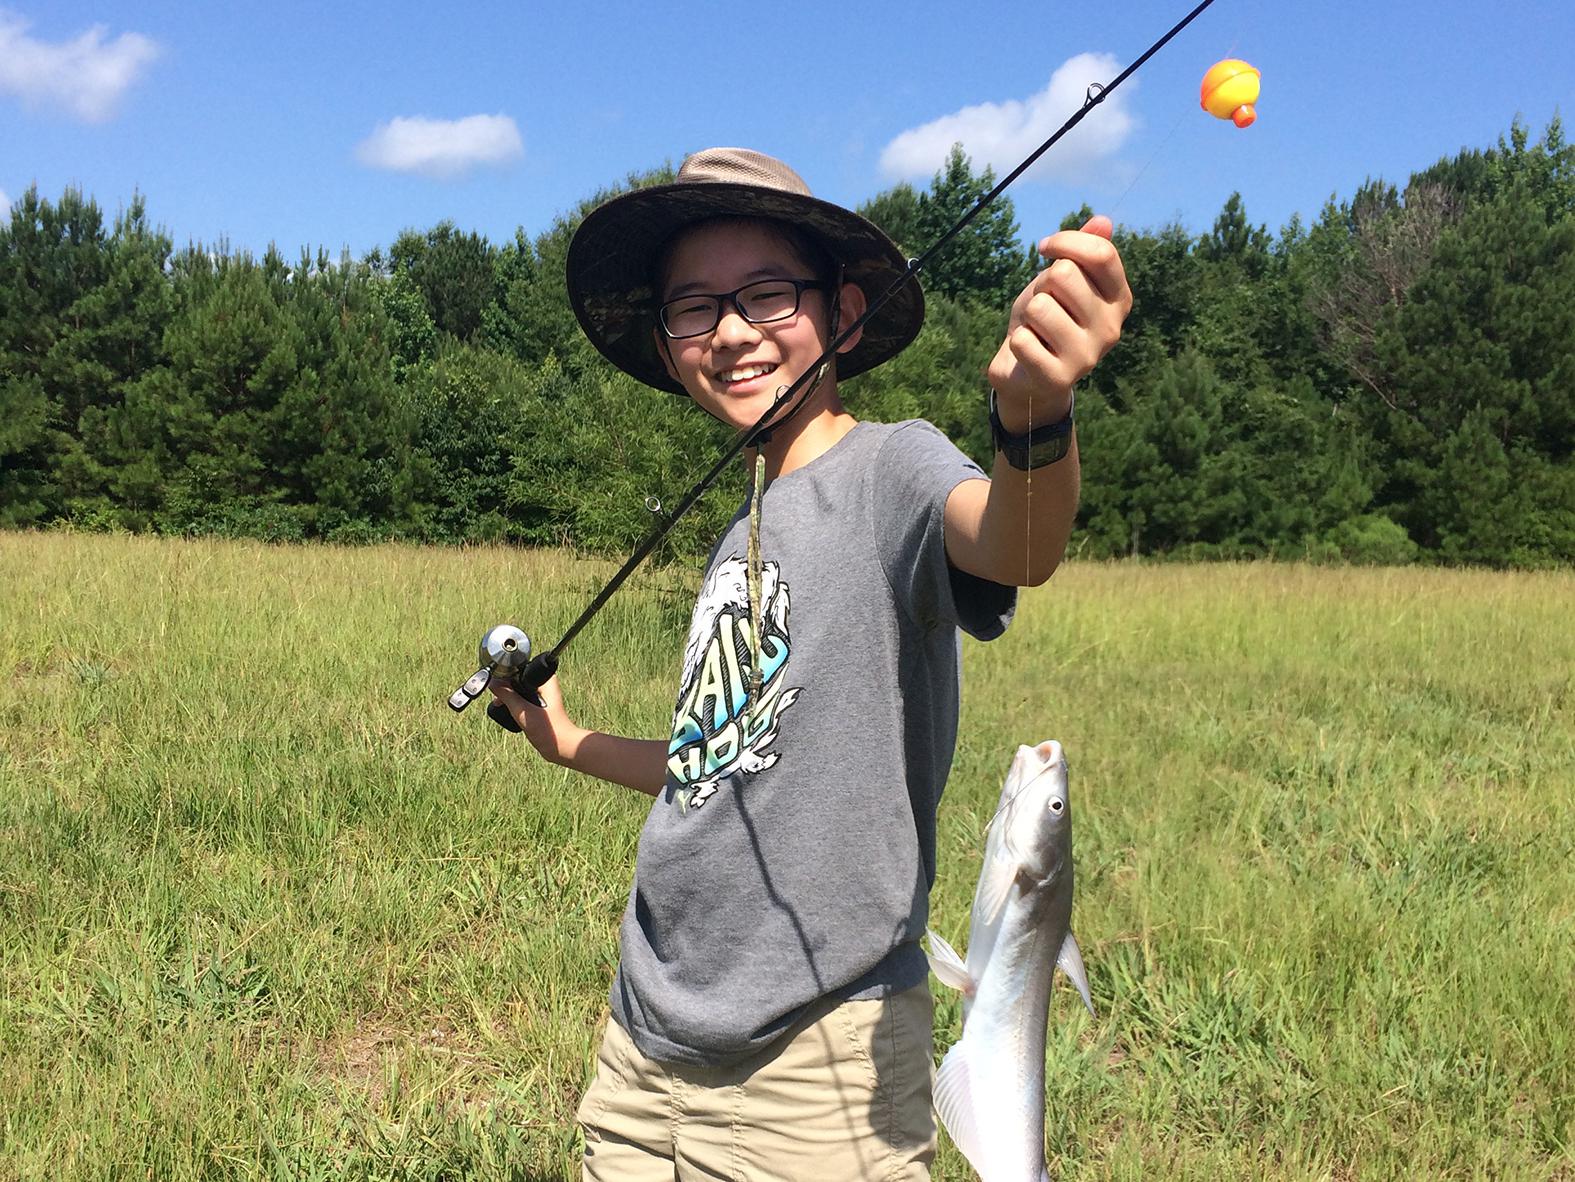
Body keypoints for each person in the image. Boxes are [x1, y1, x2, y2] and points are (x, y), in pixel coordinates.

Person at [489, 147, 1130, 1181]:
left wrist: (1036, 418)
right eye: (693, 307)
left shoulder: (893, 465)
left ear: (843, 314)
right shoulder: (736, 526)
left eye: (765, 294)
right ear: (668, 343)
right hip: (644, 1041)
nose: (731, 330)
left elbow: (1016, 545)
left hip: (816, 1069)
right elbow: (718, 767)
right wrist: (568, 743)